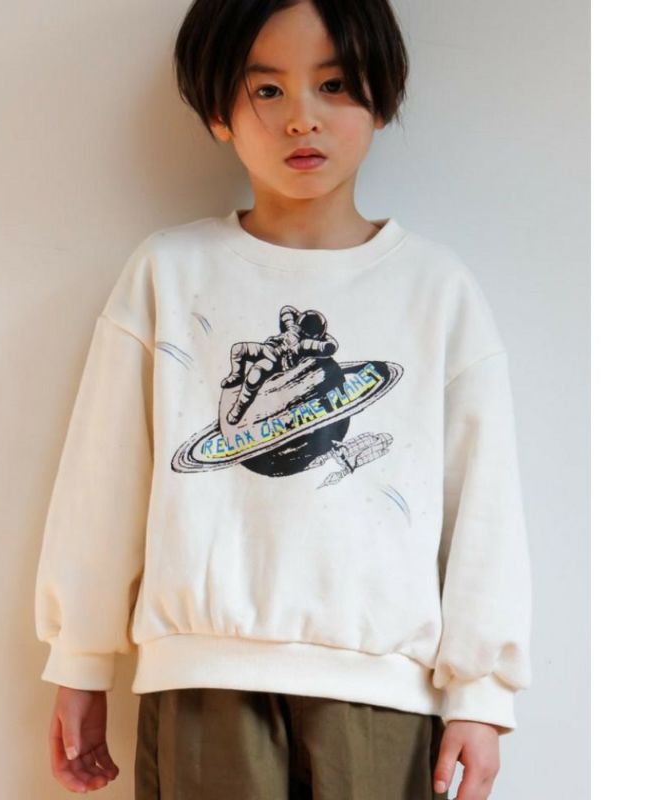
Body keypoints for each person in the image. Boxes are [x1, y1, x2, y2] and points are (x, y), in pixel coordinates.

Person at [33, 0, 532, 797]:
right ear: (218, 111)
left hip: (381, 689)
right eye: (267, 90)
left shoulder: (436, 291)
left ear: (380, 96)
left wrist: (481, 690)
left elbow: (484, 502)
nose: (303, 118)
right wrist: (81, 656)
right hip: (202, 678)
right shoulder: (169, 273)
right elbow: (105, 477)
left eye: (334, 84)